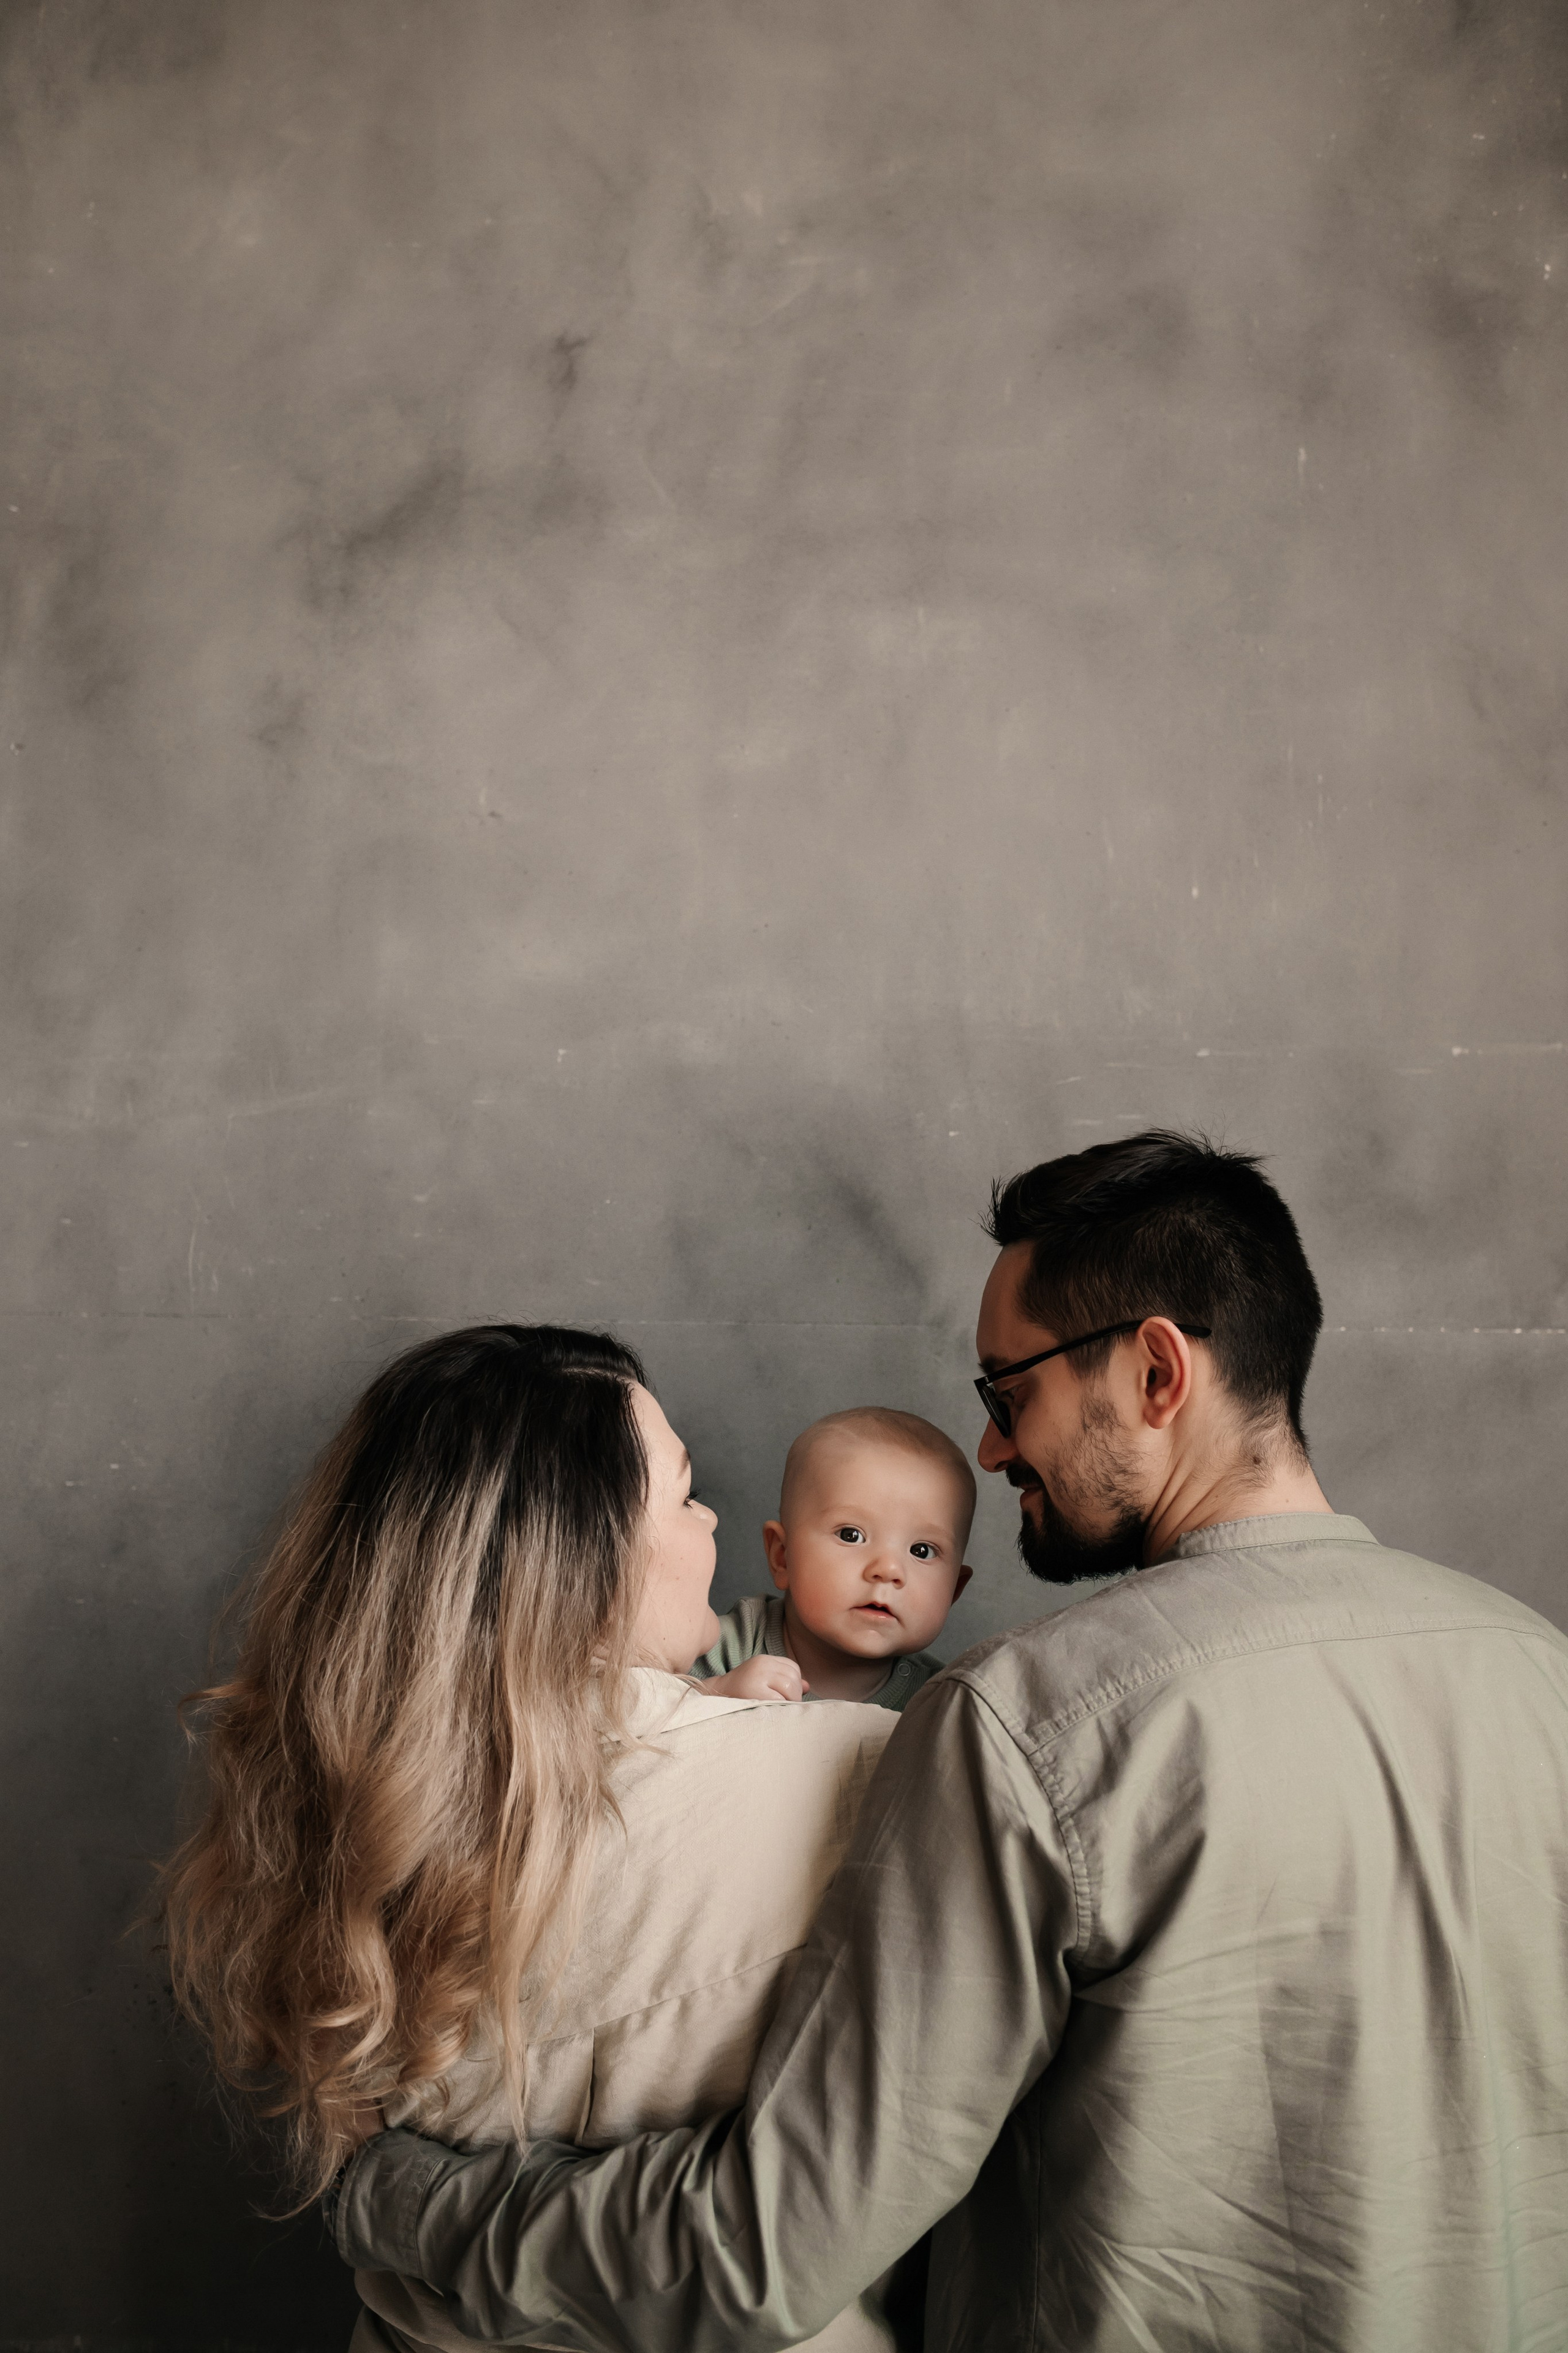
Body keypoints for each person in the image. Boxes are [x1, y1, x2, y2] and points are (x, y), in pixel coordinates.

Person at [331, 1132, 1568, 2351]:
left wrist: (395, 2195)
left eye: (1007, 1392)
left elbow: (761, 2253)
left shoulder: (1023, 1725)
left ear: (1154, 1375)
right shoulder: (1539, 1676)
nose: (985, 1447)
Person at [158, 1323, 901, 2353]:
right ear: (587, 1562)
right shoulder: (861, 1780)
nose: (715, 1515)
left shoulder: (347, 1826)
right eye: (684, 1493)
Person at [693, 1407, 974, 1711]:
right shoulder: (723, 1646)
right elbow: (643, 1706)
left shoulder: (942, 1706)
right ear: (782, 1557)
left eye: (922, 1551)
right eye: (851, 1535)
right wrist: (716, 1693)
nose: (889, 1570)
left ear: (954, 1590)